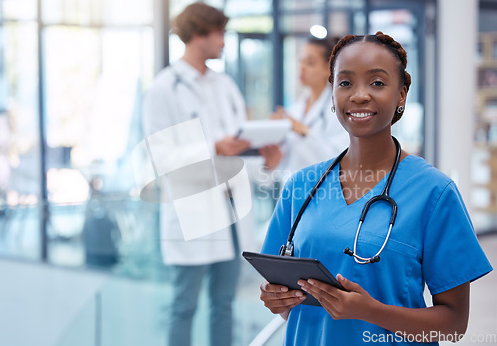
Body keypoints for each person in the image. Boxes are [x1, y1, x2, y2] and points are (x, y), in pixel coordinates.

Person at [259, 32, 493, 345]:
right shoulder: (301, 186)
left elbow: (452, 327)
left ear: (402, 94)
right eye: (345, 83)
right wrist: (278, 300)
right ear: (332, 94)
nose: (359, 95)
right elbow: (288, 300)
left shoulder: (434, 193)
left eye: (377, 83)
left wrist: (371, 312)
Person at [142, 3, 252, 346]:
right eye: (219, 33)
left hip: (232, 208)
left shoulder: (224, 84)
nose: (223, 41)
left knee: (224, 303)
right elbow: (160, 155)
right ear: (200, 35)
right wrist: (212, 147)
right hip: (193, 211)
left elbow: (239, 133)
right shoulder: (164, 88)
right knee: (184, 305)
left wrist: (258, 146)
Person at [260, 36, 349, 179]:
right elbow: (286, 164)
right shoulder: (294, 110)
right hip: (293, 192)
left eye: (310, 62)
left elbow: (340, 160)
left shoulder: (339, 111)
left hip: (323, 191)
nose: (302, 67)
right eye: (300, 60)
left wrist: (302, 130)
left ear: (328, 69)